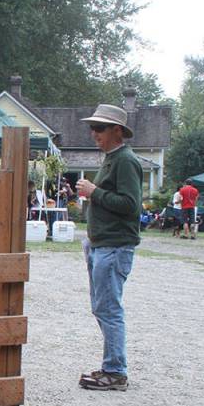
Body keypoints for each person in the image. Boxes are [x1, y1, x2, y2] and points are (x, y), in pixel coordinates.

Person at [75, 104, 142, 391]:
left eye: (100, 128)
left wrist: (94, 192)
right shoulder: (112, 159)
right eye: (93, 127)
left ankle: (115, 371)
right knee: (102, 308)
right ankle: (113, 367)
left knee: (108, 309)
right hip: (103, 245)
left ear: (117, 130)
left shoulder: (125, 161)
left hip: (114, 247)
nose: (94, 133)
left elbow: (130, 206)